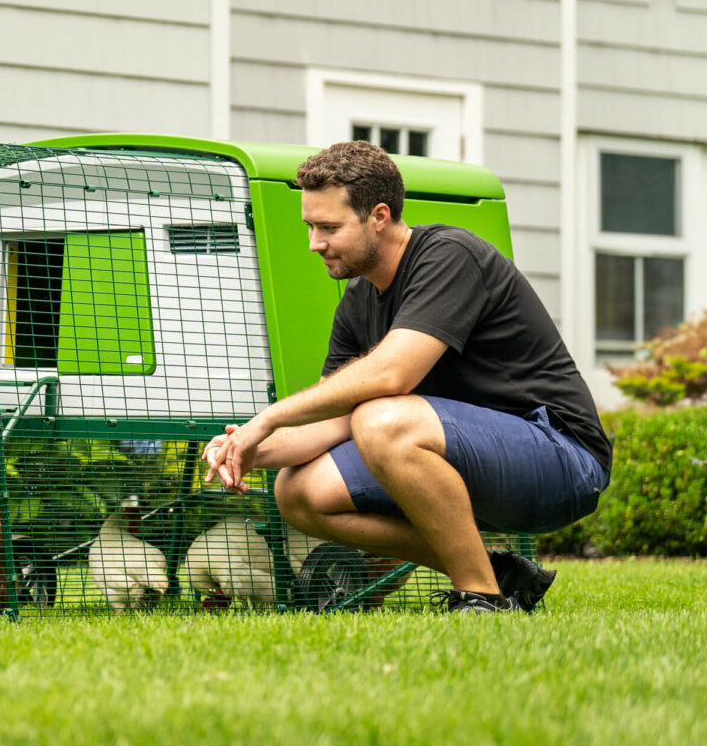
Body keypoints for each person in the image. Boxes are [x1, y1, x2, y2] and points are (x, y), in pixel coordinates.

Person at [202, 141, 611, 613]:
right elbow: (335, 419)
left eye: (329, 227)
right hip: (468, 458)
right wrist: (248, 449)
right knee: (298, 492)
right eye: (310, 226)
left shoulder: (449, 255)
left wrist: (268, 418)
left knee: (382, 419)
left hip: (559, 456)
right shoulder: (357, 301)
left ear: (379, 216)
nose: (315, 242)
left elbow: (392, 372)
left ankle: (480, 598)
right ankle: (498, 574)